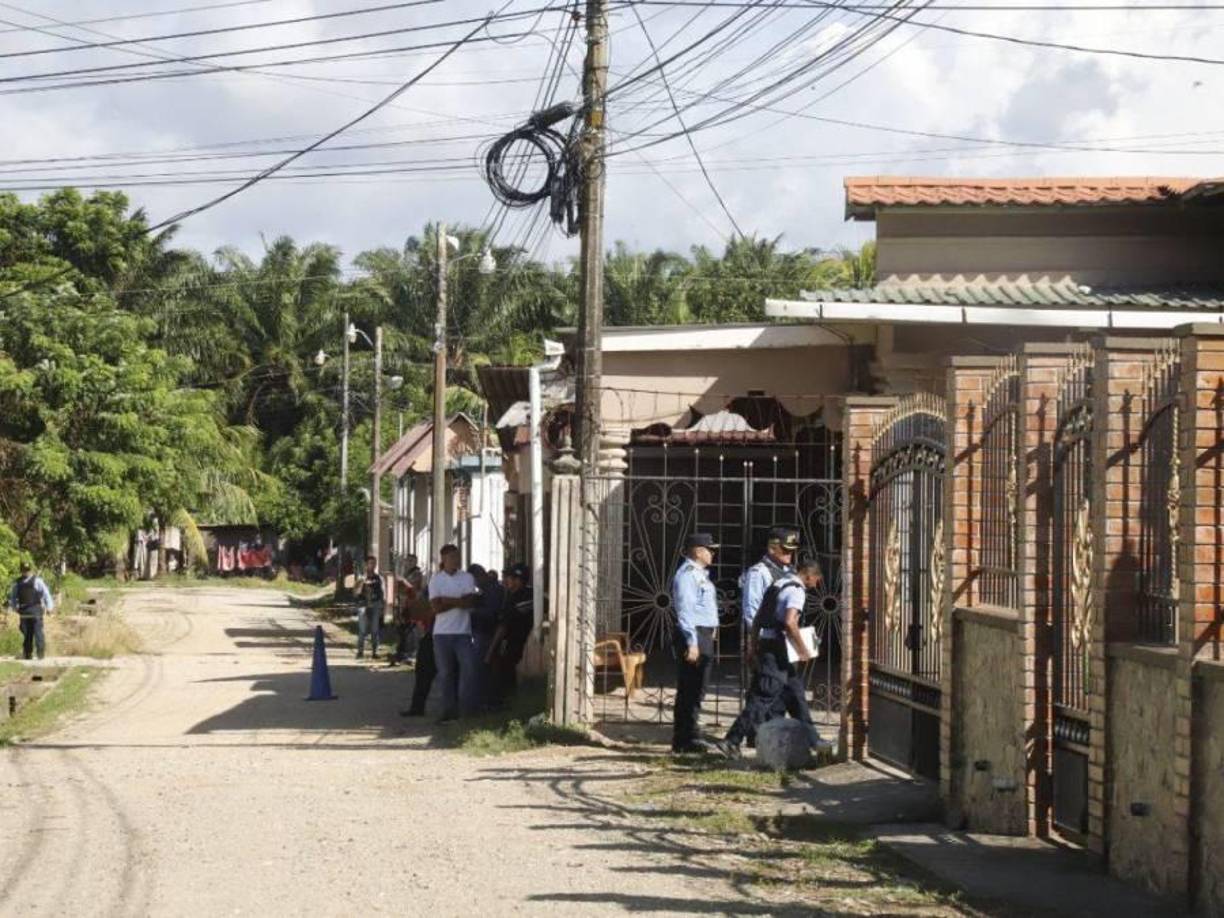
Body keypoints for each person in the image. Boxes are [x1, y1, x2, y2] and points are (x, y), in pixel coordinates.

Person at [716, 558, 827, 759]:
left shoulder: (778, 583)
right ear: (809, 575)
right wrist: (803, 650)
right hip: (777, 650)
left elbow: (758, 618)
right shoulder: (796, 590)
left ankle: (814, 740)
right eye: (816, 580)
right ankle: (731, 740)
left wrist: (752, 645)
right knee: (762, 698)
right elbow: (790, 622)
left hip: (768, 645)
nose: (816, 584)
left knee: (796, 695)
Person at [740, 526, 811, 742]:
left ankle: (770, 733)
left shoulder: (789, 573)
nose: (790, 555)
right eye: (785, 550)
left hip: (784, 641)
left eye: (792, 551)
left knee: (780, 691)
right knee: (763, 689)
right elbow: (752, 611)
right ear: (772, 549)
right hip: (767, 639)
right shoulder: (758, 573)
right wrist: (757, 642)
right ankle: (754, 734)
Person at [671, 532, 720, 754]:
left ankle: (690, 735)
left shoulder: (699, 574)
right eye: (710, 549)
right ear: (698, 551)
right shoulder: (688, 575)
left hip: (703, 634)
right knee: (690, 688)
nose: (713, 553)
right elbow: (685, 611)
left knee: (697, 688)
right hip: (694, 635)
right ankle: (684, 740)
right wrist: (692, 642)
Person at [428, 545, 480, 722]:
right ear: (443, 559)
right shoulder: (436, 580)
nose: (455, 560)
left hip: (463, 632)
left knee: (469, 670)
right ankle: (448, 710)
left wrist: (447, 600)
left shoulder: (467, 578)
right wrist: (459, 601)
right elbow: (436, 607)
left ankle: (466, 709)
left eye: (457, 557)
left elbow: (470, 603)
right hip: (442, 634)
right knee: (445, 674)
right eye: (451, 557)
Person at [485, 563, 534, 705]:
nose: (506, 581)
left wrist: (490, 651)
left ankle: (506, 705)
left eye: (510, 578)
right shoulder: (515, 595)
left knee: (505, 673)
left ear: (519, 580)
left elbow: (503, 626)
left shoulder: (522, 597)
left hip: (517, 644)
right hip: (516, 643)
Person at [398, 568, 437, 717]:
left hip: (434, 635)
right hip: (431, 634)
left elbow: (419, 611)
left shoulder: (430, 589)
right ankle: (417, 707)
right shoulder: (428, 589)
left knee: (426, 672)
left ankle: (418, 707)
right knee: (425, 672)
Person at [469, 565, 505, 709]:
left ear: (479, 576)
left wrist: (473, 611)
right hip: (485, 633)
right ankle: (486, 701)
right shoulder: (488, 589)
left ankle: (486, 702)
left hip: (488, 634)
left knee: (481, 669)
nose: (474, 584)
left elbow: (491, 613)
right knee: (482, 669)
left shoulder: (493, 590)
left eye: (474, 580)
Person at [8, 563, 54, 660]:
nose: (26, 572)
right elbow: (13, 597)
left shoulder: (37, 581)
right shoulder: (17, 583)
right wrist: (14, 607)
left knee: (38, 632)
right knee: (26, 633)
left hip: (36, 610)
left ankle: (40, 654)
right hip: (24, 611)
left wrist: (49, 607)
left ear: (31, 570)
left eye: (28, 570)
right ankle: (27, 654)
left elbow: (46, 594)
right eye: (24, 570)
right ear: (21, 571)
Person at [390, 566, 424, 665]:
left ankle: (409, 655)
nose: (416, 579)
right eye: (414, 577)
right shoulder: (405, 588)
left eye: (418, 577)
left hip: (413, 614)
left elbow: (416, 597)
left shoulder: (416, 589)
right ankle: (401, 654)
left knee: (411, 634)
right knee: (403, 634)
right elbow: (398, 601)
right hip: (405, 613)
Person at [355, 555, 385, 660]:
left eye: (374, 563)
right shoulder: (361, 577)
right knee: (362, 630)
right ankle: (360, 651)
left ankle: (375, 652)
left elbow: (382, 593)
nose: (373, 565)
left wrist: (382, 606)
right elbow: (356, 593)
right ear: (366, 565)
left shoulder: (378, 578)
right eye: (371, 563)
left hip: (375, 604)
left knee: (375, 629)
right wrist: (361, 582)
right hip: (363, 604)